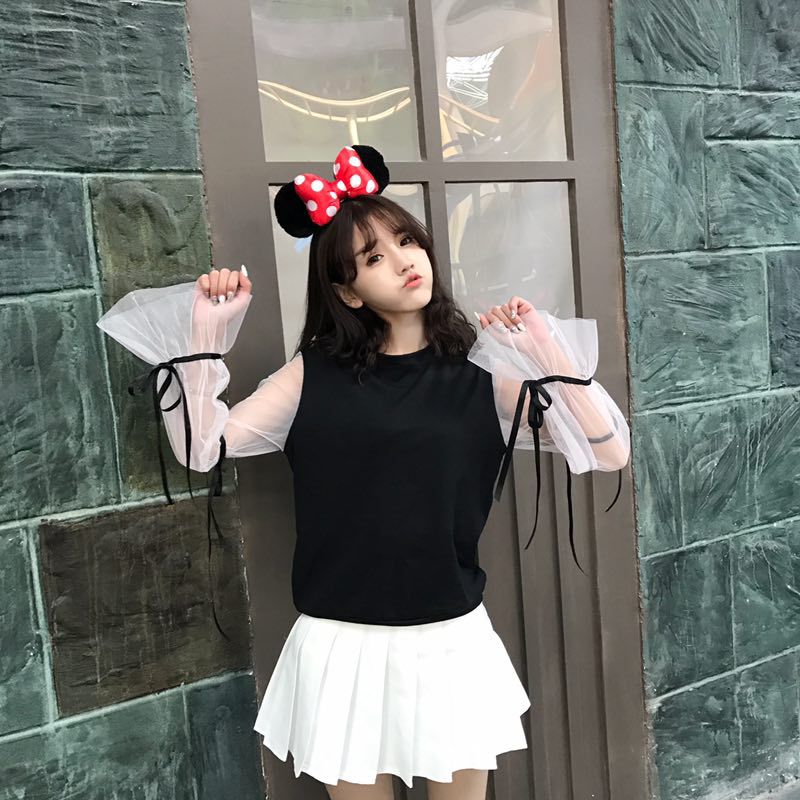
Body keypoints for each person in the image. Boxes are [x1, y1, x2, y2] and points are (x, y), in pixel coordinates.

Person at [98, 144, 630, 800]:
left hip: (447, 636)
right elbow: (202, 447)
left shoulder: (481, 377)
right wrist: (207, 336)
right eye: (374, 257)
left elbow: (609, 450)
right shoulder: (311, 377)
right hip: (341, 641)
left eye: (407, 241)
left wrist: (545, 351)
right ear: (347, 290)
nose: (405, 261)